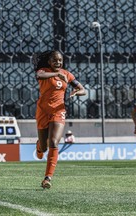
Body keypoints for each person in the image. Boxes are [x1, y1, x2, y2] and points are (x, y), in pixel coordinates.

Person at [33, 50, 86, 189]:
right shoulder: (44, 71)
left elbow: (83, 89)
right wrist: (56, 74)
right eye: (55, 60)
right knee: (44, 148)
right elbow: (39, 75)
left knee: (54, 142)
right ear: (49, 62)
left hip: (59, 111)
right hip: (43, 111)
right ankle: (39, 145)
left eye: (60, 60)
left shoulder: (67, 74)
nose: (58, 62)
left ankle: (47, 178)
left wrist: (77, 92)